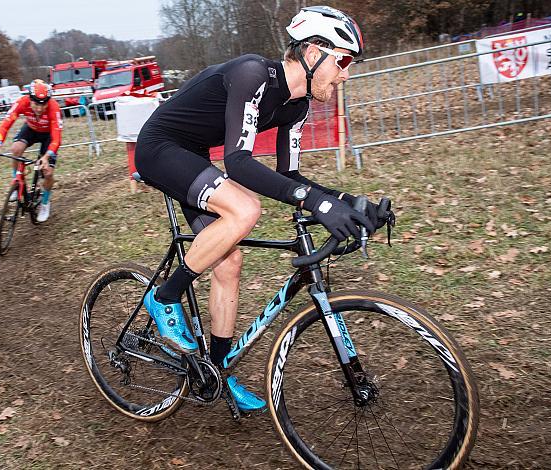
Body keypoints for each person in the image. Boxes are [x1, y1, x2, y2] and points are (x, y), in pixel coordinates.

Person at [135, 6, 387, 413]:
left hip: (194, 155)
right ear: (312, 53)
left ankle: (215, 370)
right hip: (160, 147)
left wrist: (345, 202)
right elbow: (238, 163)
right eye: (342, 61)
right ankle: (165, 297)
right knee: (245, 209)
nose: (345, 74)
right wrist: (317, 203)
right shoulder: (252, 73)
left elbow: (290, 175)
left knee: (228, 261)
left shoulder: (297, 106)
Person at [0, 79, 63, 222]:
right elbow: (5, 124)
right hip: (31, 129)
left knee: (48, 172)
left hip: (48, 135)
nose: (40, 109)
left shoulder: (54, 108)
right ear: (30, 99)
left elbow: (56, 139)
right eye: (36, 104)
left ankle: (45, 203)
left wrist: (47, 157)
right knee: (15, 149)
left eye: (43, 104)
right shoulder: (22, 102)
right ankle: (17, 182)